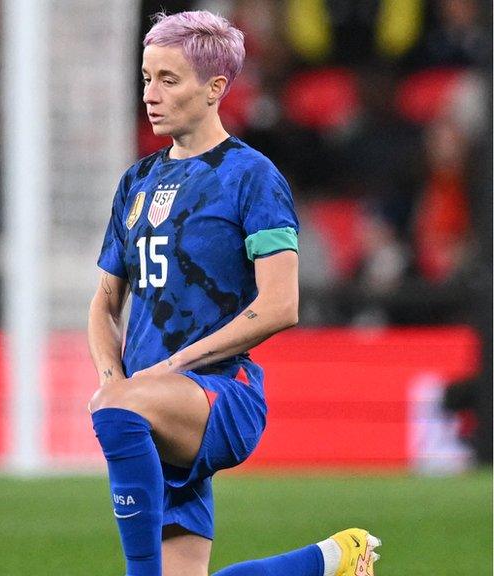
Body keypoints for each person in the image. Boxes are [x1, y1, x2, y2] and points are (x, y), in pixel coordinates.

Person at [87, 11, 380, 576]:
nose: (150, 94)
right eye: (147, 78)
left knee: (115, 413)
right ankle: (332, 559)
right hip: (152, 403)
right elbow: (103, 303)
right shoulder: (137, 181)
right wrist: (113, 379)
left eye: (169, 80)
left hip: (221, 393)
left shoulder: (253, 176)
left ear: (216, 88)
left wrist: (166, 371)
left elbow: (280, 304)